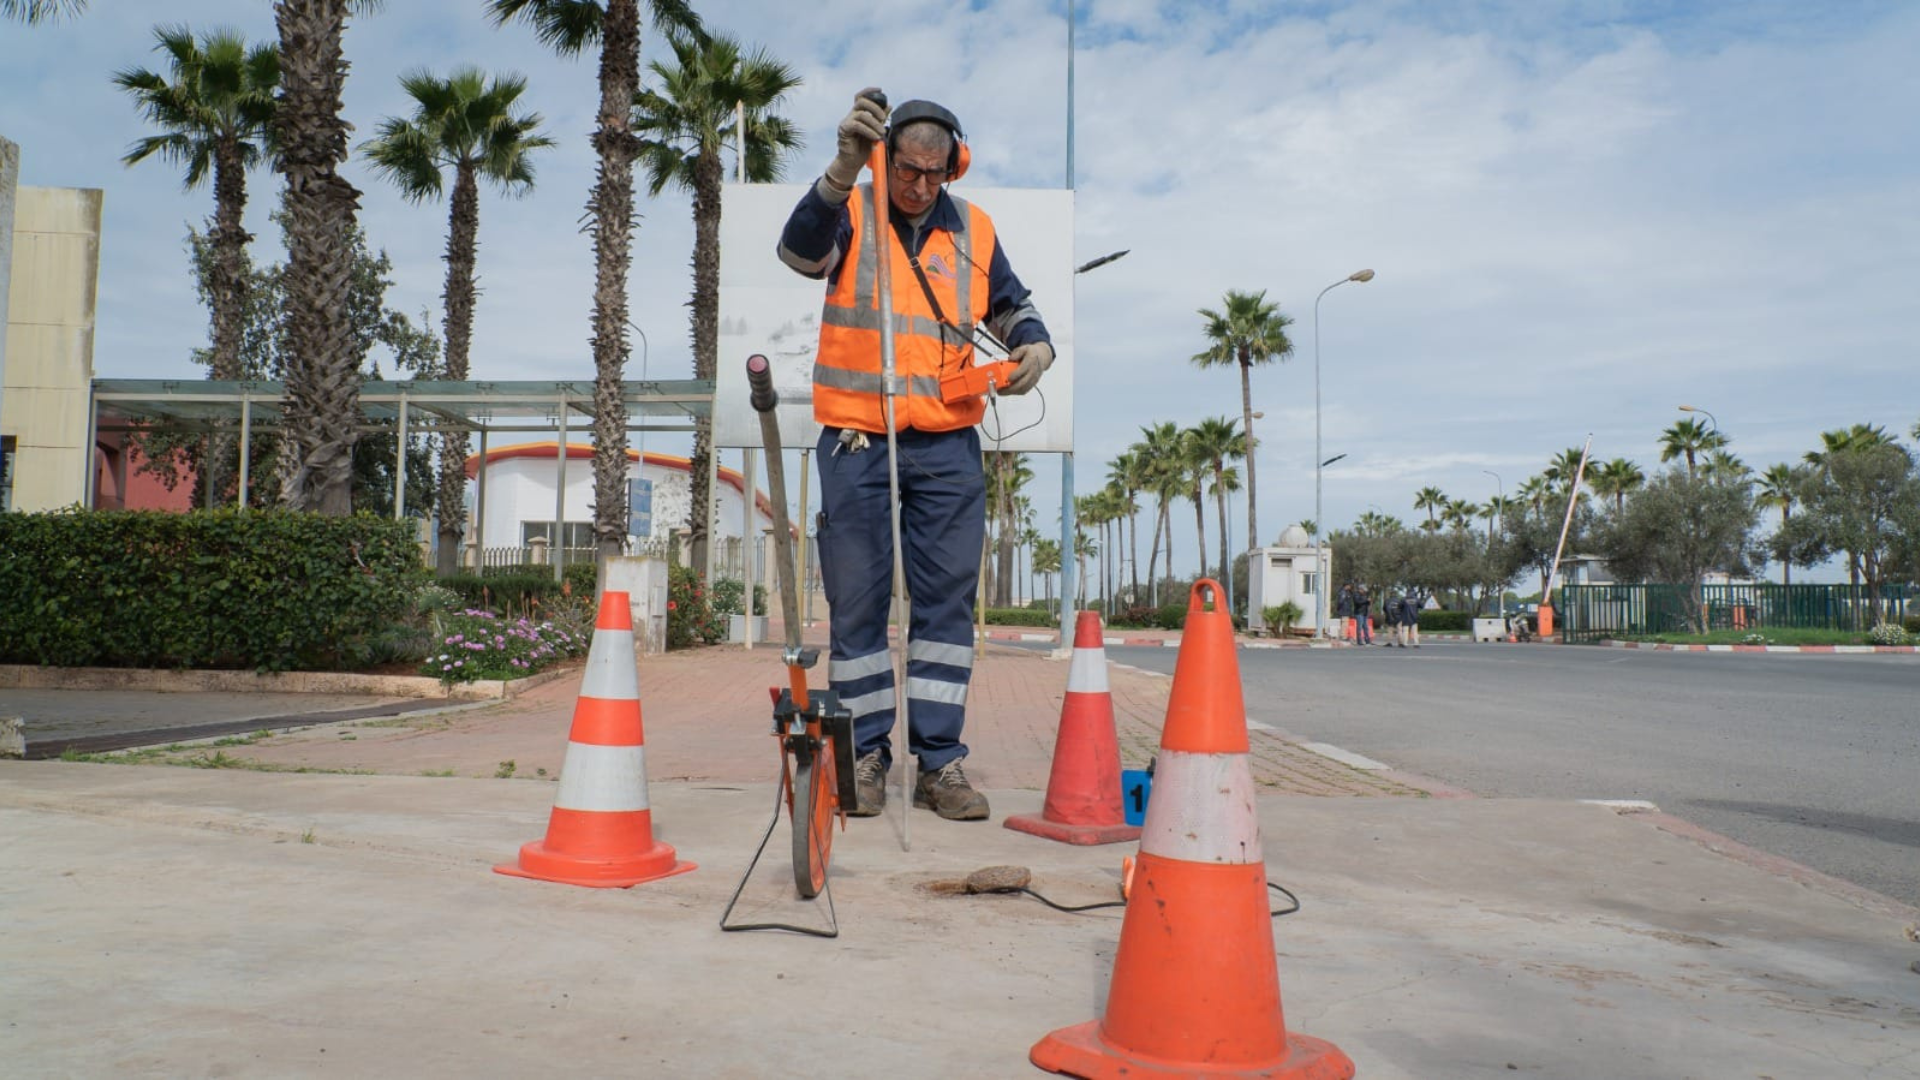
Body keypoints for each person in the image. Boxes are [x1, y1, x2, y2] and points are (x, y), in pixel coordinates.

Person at [778, 88, 1053, 821]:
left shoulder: (973, 228)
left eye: (936, 173)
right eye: (907, 169)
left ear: (953, 167)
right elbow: (799, 252)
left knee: (945, 608)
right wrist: (839, 170)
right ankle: (865, 754)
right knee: (859, 603)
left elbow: (1012, 302)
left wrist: (1036, 342)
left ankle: (941, 764)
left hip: (946, 444)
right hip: (858, 438)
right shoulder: (854, 208)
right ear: (884, 157)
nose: (920, 186)